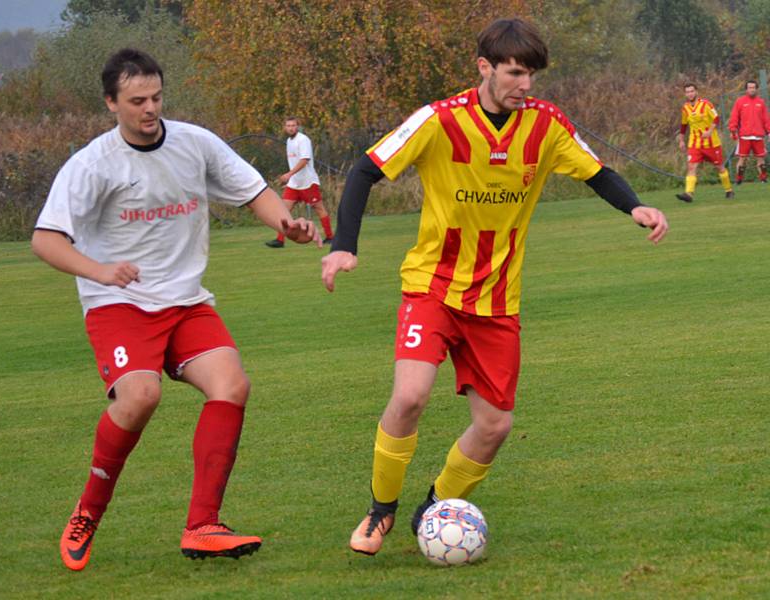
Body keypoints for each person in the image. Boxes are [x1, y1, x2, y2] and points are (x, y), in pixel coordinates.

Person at [320, 18, 668, 557]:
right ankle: (380, 510)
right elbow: (366, 171)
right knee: (410, 396)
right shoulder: (439, 120)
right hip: (432, 287)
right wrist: (344, 244)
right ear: (484, 68)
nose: (524, 86)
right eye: (513, 73)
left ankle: (435, 507)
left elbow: (596, 171)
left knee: (495, 426)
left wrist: (636, 205)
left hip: (497, 301)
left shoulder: (546, 125)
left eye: (530, 75)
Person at [32, 48, 320, 571]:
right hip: (118, 302)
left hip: (186, 301)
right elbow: (46, 239)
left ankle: (203, 525)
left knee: (232, 384)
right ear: (111, 104)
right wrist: (100, 272)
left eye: (157, 97)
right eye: (137, 100)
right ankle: (88, 512)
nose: (150, 109)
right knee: (141, 396)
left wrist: (286, 223)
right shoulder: (93, 165)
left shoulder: (194, 143)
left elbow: (254, 191)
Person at [265, 116, 334, 247]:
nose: (291, 128)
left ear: (298, 126)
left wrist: (289, 174)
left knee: (319, 209)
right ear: (285, 128)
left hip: (308, 182)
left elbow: (304, 160)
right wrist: (290, 178)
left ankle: (330, 237)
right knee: (283, 210)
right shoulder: (289, 141)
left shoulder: (303, 140)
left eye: (293, 125)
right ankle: (280, 240)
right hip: (294, 184)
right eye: (288, 126)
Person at [675, 83, 734, 202]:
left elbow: (716, 118)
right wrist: (681, 140)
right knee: (691, 167)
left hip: (711, 143)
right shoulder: (685, 108)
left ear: (696, 92)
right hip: (694, 143)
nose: (690, 94)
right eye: (687, 92)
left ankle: (729, 190)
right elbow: (684, 125)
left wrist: (709, 131)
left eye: (692, 91)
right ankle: (689, 194)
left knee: (720, 167)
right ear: (685, 94)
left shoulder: (706, 104)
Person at [727, 80, 770, 184]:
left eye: (753, 87)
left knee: (760, 158)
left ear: (756, 89)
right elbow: (734, 117)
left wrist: (769, 132)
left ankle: (763, 179)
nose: (752, 89)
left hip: (758, 136)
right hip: (744, 136)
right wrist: (733, 130)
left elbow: (766, 119)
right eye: (750, 87)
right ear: (746, 89)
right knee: (742, 159)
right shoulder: (740, 101)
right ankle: (739, 179)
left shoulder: (761, 102)